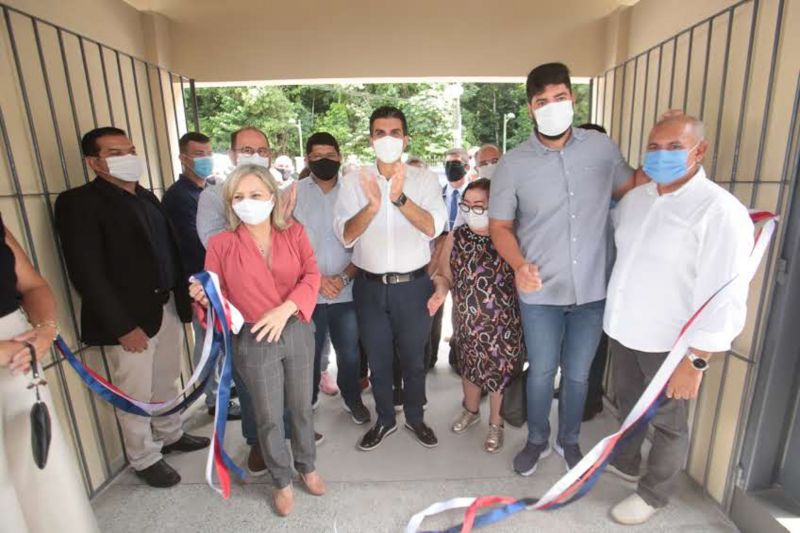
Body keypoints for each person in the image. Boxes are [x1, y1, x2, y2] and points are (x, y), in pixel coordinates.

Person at [604, 114, 753, 525]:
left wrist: (697, 360)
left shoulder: (719, 212)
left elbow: (726, 294)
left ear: (698, 151)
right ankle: (627, 461)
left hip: (672, 344)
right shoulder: (636, 201)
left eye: (674, 147)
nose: (660, 155)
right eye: (654, 146)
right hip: (626, 330)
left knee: (668, 423)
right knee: (629, 405)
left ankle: (653, 495)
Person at [489, 63, 637, 476]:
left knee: (577, 376)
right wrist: (518, 265)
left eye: (560, 98)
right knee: (541, 373)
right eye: (542, 102)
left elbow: (631, 188)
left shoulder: (601, 150)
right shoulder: (514, 164)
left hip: (592, 290)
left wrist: (668, 160)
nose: (552, 107)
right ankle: (537, 440)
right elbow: (500, 226)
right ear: (530, 108)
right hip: (540, 294)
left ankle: (568, 440)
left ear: (573, 98)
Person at [55, 127, 209, 488]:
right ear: (93, 162)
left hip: (167, 304)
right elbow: (86, 272)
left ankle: (170, 433)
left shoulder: (146, 197)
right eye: (114, 152)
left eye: (130, 149)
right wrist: (121, 325)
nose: (127, 157)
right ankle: (143, 456)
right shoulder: (79, 203)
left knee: (165, 378)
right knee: (133, 391)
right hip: (129, 319)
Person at [190, 164, 324, 516]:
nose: (247, 203)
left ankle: (307, 466)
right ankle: (281, 479)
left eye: (255, 195)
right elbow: (215, 295)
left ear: (272, 197)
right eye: (239, 197)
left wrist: (286, 309)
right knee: (267, 415)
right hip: (253, 335)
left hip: (294, 326)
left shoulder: (294, 232)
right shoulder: (220, 244)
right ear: (229, 203)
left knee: (300, 407)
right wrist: (205, 297)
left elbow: (311, 273)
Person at [334, 106, 446, 451]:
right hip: (369, 287)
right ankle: (385, 419)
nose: (387, 139)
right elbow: (346, 236)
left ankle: (415, 416)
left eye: (394, 132)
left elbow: (432, 226)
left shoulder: (424, 180)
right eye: (380, 133)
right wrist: (371, 205)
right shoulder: (354, 181)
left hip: (413, 286)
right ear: (370, 139)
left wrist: (398, 197)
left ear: (405, 138)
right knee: (379, 359)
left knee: (414, 358)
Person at [0, 214, 99, 532]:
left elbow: (33, 285)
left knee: (37, 465)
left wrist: (44, 328)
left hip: (20, 359)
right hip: (9, 352)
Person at [428, 179, 525, 453]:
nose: (472, 211)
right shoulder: (456, 237)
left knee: (499, 375)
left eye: (479, 206)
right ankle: (470, 411)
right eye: (466, 205)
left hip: (503, 324)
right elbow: (445, 275)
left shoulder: (508, 237)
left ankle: (496, 424)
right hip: (466, 321)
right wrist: (440, 291)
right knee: (469, 368)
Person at [162, 131, 241, 421]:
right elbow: (197, 242)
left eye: (208, 152)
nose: (205, 159)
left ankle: (223, 388)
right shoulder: (178, 197)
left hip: (221, 279)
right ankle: (214, 399)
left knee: (222, 340)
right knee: (210, 341)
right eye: (198, 154)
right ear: (183, 158)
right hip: (202, 283)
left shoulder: (213, 188)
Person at [293, 132, 369, 424]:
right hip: (307, 291)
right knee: (308, 354)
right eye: (316, 156)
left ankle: (352, 399)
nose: (324, 160)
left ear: (340, 157)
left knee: (349, 352)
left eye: (330, 155)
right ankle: (307, 402)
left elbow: (363, 243)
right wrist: (316, 279)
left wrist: (344, 277)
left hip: (345, 290)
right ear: (307, 159)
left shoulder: (355, 193)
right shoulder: (292, 193)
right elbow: (286, 243)